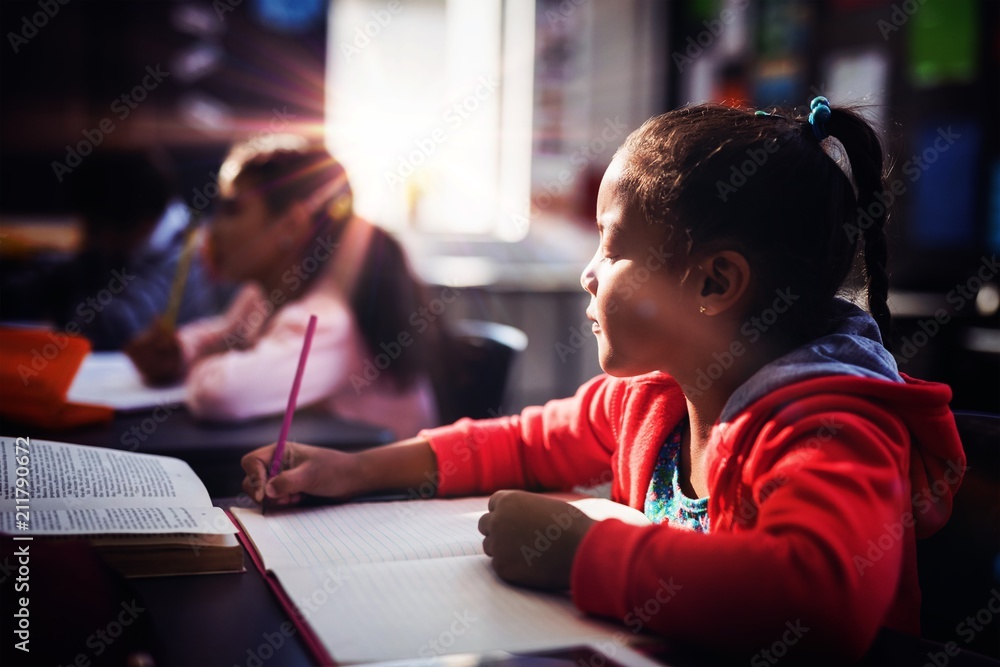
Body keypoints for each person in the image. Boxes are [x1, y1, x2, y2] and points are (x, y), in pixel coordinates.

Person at [239, 100, 966, 660]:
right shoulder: (652, 396)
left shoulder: (831, 428)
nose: (587, 271)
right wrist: (354, 468)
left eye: (612, 245)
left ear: (714, 281)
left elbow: (820, 598)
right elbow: (525, 441)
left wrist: (578, 552)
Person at [126, 137, 439, 439]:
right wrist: (179, 351)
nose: (213, 228)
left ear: (290, 224)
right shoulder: (260, 296)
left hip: (381, 488)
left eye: (232, 210)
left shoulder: (326, 320)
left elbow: (222, 395)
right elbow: (222, 335)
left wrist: (201, 363)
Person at [0, 150, 218, 349]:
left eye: (96, 230)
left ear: (144, 223)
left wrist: (65, 296)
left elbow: (118, 328)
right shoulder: (145, 231)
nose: (89, 240)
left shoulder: (186, 257)